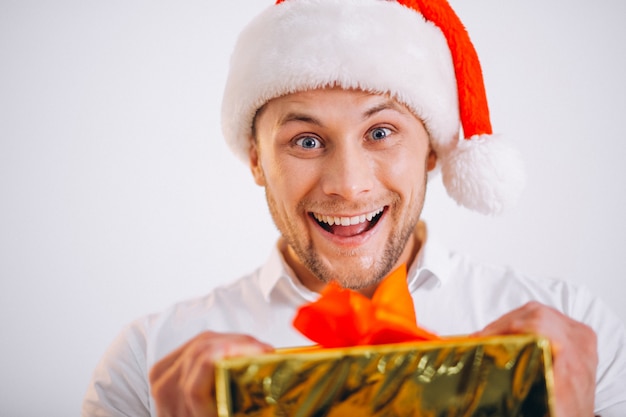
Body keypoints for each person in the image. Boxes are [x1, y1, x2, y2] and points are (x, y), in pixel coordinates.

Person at [82, 0, 626, 416]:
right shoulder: (149, 360)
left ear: (433, 148)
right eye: (306, 141)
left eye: (381, 131)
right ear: (255, 159)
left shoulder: (578, 336)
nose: (348, 186)